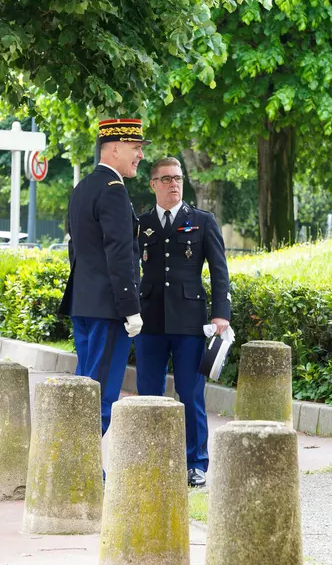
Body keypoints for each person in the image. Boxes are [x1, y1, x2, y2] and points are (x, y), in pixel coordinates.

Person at [134, 157, 231, 487]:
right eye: (166, 179)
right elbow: (129, 268)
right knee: (149, 393)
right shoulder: (142, 223)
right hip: (149, 320)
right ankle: (152, 457)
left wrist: (221, 314)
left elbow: (220, 272)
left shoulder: (202, 221)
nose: (174, 184)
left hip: (190, 321)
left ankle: (196, 462)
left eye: (177, 178)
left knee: (190, 394)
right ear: (153, 184)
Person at [59, 118, 151, 436]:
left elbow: (76, 253)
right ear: (114, 149)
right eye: (136, 148)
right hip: (108, 309)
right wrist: (130, 308)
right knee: (99, 398)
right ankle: (79, 477)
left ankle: (72, 469)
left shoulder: (82, 188)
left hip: (83, 304)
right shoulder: (112, 191)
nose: (140, 155)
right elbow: (120, 255)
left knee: (84, 391)